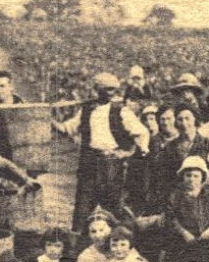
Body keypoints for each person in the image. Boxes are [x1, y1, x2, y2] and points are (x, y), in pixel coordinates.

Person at [57, 72, 150, 231]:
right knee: (83, 208)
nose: (111, 93)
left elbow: (142, 133)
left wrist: (128, 153)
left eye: (113, 90)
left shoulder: (121, 110)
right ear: (96, 89)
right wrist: (48, 119)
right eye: (107, 89)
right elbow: (68, 128)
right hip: (89, 162)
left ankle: (113, 245)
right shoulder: (86, 109)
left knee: (112, 209)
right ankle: (77, 249)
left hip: (111, 164)